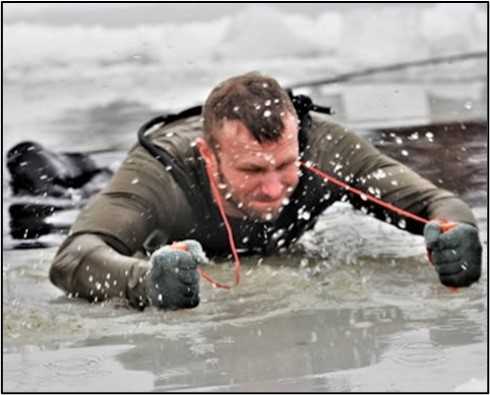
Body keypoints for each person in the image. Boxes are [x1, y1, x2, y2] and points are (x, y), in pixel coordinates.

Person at [49, 72, 482, 310]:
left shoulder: (326, 147)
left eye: (285, 164)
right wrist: (144, 280)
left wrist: (456, 234)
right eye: (252, 169)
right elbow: (73, 256)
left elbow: (437, 203)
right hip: (99, 187)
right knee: (46, 186)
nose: (274, 187)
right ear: (209, 154)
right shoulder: (162, 172)